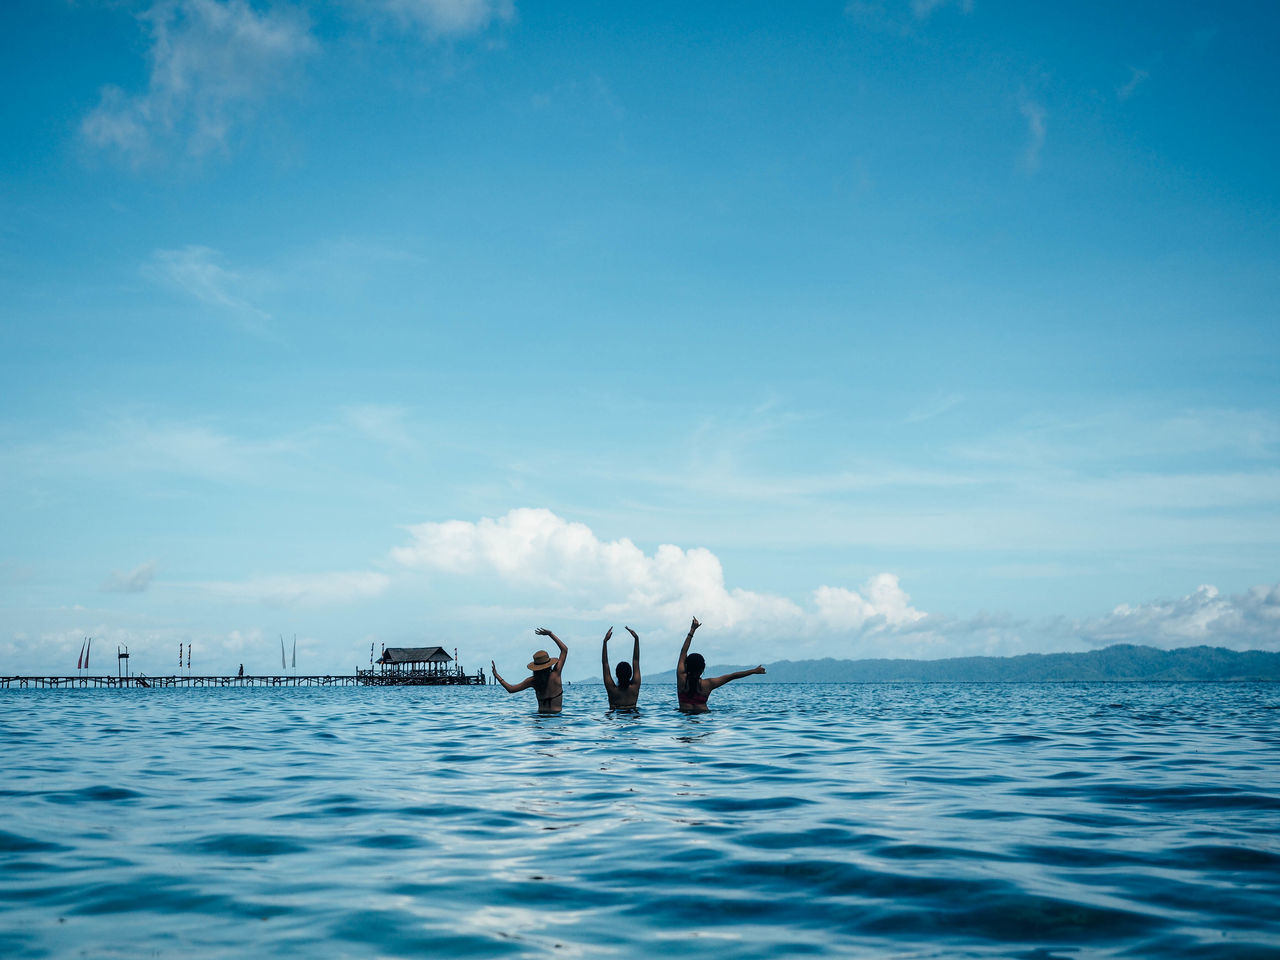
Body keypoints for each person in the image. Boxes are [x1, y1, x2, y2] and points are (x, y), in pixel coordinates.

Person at [676, 616, 765, 713]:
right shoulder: (708, 684)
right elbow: (732, 676)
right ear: (702, 669)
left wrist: (692, 630)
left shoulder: (681, 679)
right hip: (703, 717)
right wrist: (754, 671)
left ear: (686, 665)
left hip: (684, 716)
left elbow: (683, 652)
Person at [491, 627, 568, 713]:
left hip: (540, 719)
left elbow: (511, 689)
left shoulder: (533, 681)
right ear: (549, 664)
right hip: (556, 720)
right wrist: (550, 634)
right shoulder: (556, 674)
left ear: (536, 667)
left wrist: (497, 675)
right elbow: (564, 650)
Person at [602, 626, 641, 709]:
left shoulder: (612, 690)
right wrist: (636, 639)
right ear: (630, 674)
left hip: (615, 719)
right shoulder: (635, 687)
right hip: (633, 718)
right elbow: (636, 661)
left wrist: (605, 642)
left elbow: (605, 664)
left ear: (616, 674)